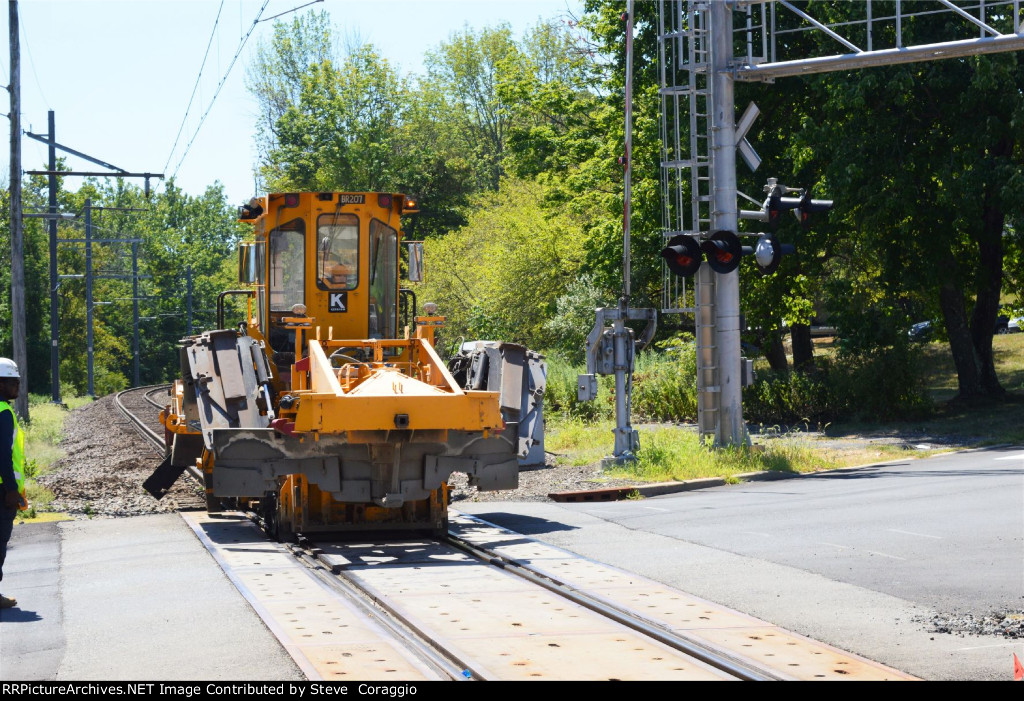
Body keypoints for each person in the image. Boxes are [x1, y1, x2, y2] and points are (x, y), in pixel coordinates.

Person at [0, 357, 27, 609]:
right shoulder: (4, 412)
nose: (17, 386)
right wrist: (11, 490)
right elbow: (3, 455)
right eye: (12, 382)